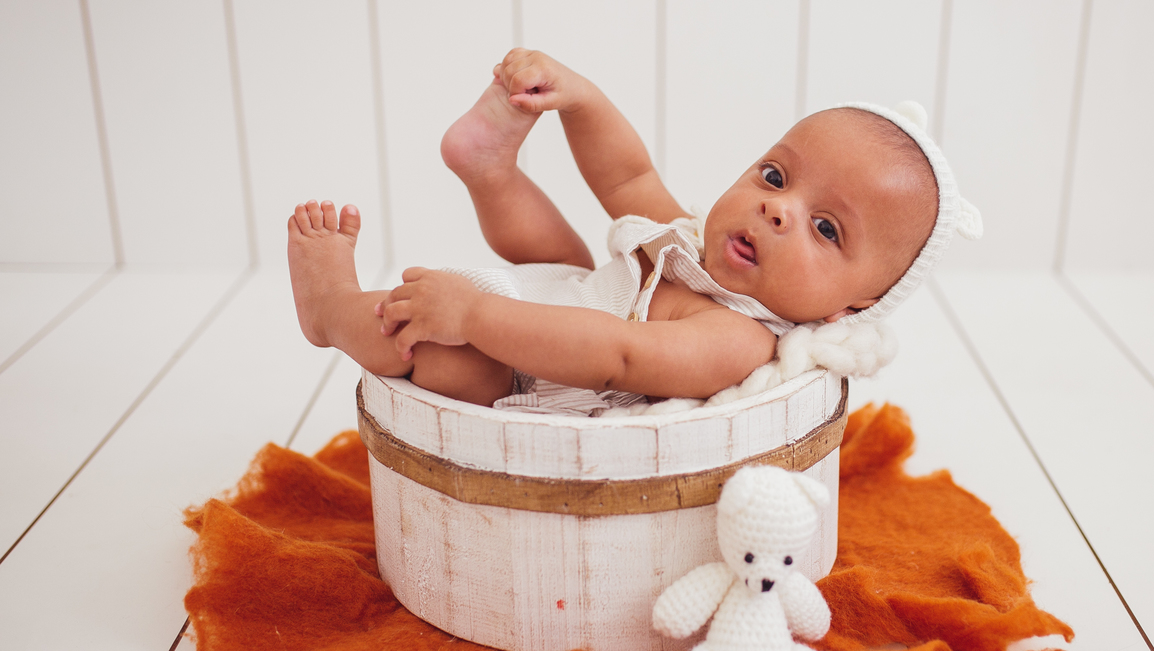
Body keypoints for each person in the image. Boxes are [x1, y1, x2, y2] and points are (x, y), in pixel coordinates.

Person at [287, 49, 959, 411]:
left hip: (518, 373)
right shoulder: (691, 241)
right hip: (560, 294)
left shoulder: (740, 339)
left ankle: (329, 308)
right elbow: (627, 177)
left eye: (826, 229)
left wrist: (472, 315)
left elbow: (619, 355)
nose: (778, 210)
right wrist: (581, 99)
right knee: (568, 261)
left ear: (853, 307)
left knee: (427, 351)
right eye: (775, 177)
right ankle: (491, 172)